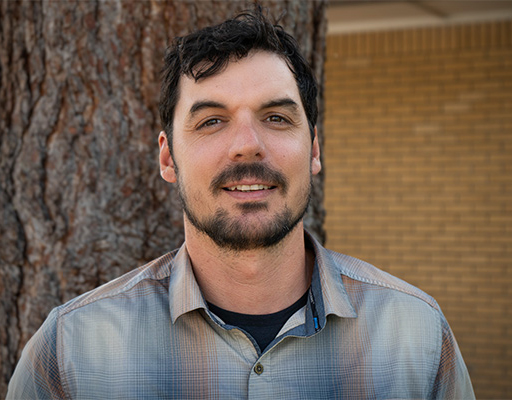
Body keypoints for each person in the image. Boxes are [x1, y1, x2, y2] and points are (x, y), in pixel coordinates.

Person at [8, 7, 475, 400]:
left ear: (314, 150)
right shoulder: (71, 352)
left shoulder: (417, 337)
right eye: (211, 121)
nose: (247, 145)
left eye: (276, 117)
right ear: (168, 158)